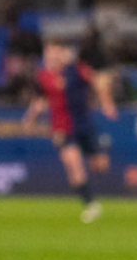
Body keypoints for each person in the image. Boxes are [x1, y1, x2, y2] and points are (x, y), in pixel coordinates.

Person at [23, 41, 117, 223]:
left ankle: (102, 148)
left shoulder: (76, 70)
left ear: (62, 54)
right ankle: (90, 205)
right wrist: (30, 116)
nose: (51, 57)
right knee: (72, 162)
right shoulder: (43, 76)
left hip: (84, 125)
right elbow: (41, 99)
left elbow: (98, 80)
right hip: (61, 128)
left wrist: (106, 103)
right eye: (47, 54)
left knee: (100, 165)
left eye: (54, 53)